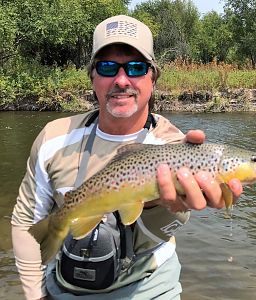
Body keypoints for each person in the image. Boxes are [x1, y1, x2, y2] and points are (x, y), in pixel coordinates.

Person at [11, 15, 242, 300]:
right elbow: (25, 221)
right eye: (108, 67)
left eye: (136, 67)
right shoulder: (53, 138)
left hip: (151, 289)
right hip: (62, 288)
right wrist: (36, 295)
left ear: (152, 78)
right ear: (92, 77)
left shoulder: (177, 147)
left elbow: (168, 225)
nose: (122, 80)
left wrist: (157, 205)